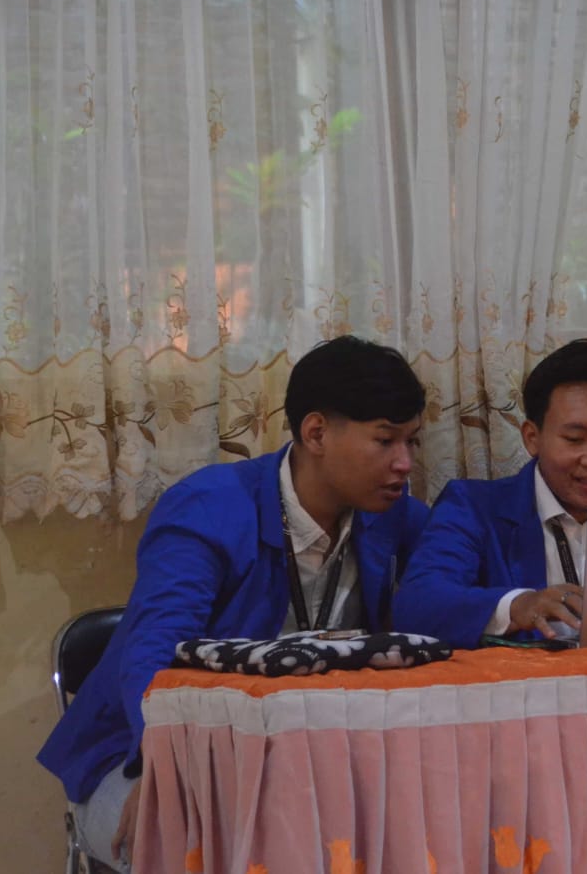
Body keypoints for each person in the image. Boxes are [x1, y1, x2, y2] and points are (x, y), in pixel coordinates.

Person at [37, 337, 429, 872]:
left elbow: (454, 587)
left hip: (303, 763)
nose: (405, 463)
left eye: (412, 442)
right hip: (143, 757)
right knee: (196, 846)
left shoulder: (391, 515)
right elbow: (155, 647)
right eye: (385, 441)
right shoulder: (210, 507)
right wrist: (171, 771)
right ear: (316, 432)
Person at [392, 340, 587, 649]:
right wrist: (517, 606)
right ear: (532, 437)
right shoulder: (473, 509)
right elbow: (417, 605)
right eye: (575, 439)